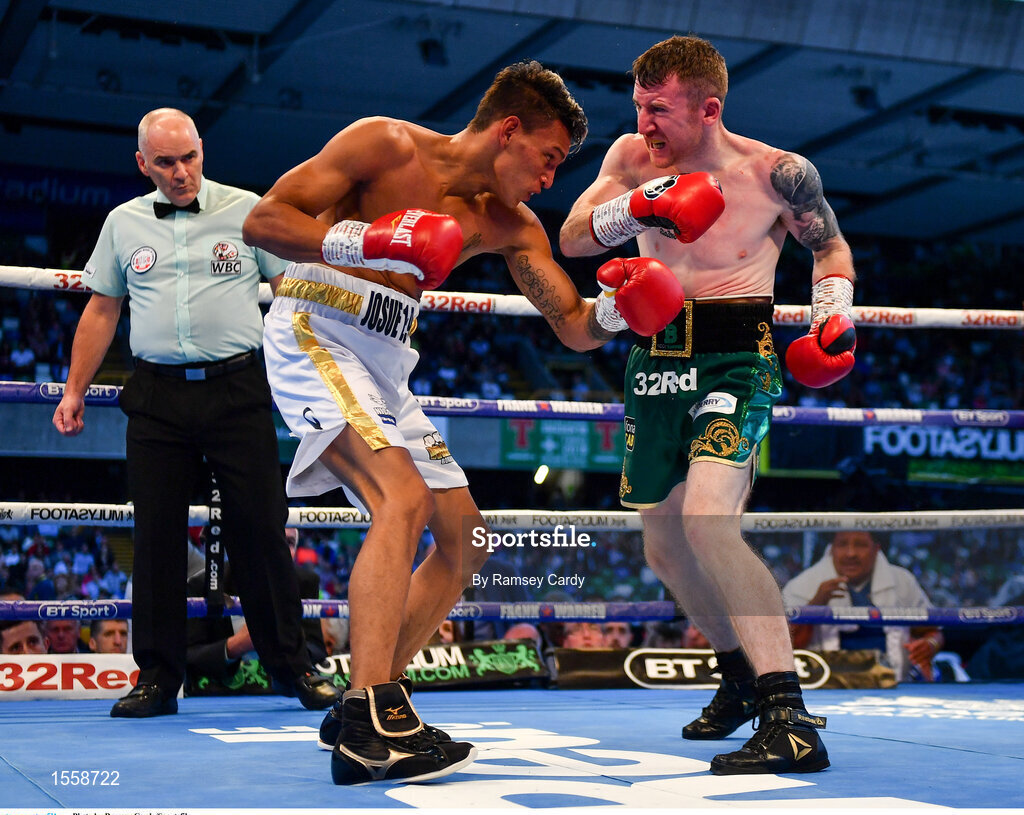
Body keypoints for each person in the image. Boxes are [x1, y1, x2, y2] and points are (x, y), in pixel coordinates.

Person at [242, 60, 722, 785]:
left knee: (466, 539)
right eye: (550, 158)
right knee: (398, 500)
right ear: (508, 131)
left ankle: (367, 700)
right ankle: (373, 720)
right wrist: (367, 241)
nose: (550, 180)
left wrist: (627, 306)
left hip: (387, 356)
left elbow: (570, 322)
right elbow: (264, 221)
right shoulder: (385, 144)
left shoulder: (510, 223)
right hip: (314, 324)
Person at [559, 35, 856, 774]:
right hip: (653, 353)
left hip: (737, 354)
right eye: (638, 106)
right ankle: (739, 679)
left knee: (710, 522)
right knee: (664, 543)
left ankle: (789, 715)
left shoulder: (776, 173)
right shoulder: (631, 160)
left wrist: (831, 311)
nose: (644, 122)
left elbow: (831, 249)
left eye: (658, 109)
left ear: (708, 107)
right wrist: (642, 204)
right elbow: (570, 238)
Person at [52, 108, 339, 718]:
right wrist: (74, 390)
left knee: (261, 528)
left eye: (189, 158)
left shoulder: (248, 210)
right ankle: (158, 677)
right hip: (156, 395)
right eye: (165, 162)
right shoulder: (122, 223)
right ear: (142, 164)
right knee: (155, 533)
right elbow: (102, 310)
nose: (180, 173)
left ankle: (293, 666)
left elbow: (294, 291)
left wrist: (312, 372)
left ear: (202, 151)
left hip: (237, 389)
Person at [783, 531, 943, 682]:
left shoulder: (902, 581)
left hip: (894, 684)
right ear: (832, 548)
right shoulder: (802, 585)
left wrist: (930, 645)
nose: (850, 553)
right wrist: (814, 607)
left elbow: (933, 632)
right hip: (824, 687)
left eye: (860, 545)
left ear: (876, 548)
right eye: (842, 544)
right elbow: (784, 645)